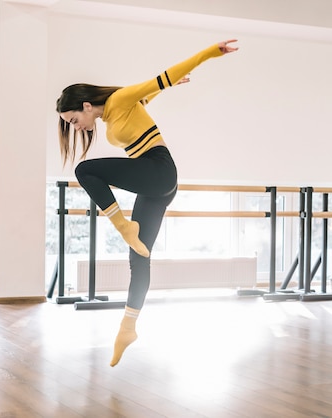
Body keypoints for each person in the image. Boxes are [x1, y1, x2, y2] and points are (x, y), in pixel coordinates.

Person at [56, 39, 239, 367]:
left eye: (72, 120)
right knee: (139, 256)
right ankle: (128, 328)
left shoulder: (119, 98)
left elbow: (163, 77)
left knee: (86, 170)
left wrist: (210, 53)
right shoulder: (115, 114)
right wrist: (163, 91)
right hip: (157, 186)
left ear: (85, 106)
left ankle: (124, 225)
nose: (77, 128)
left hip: (158, 169)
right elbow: (146, 98)